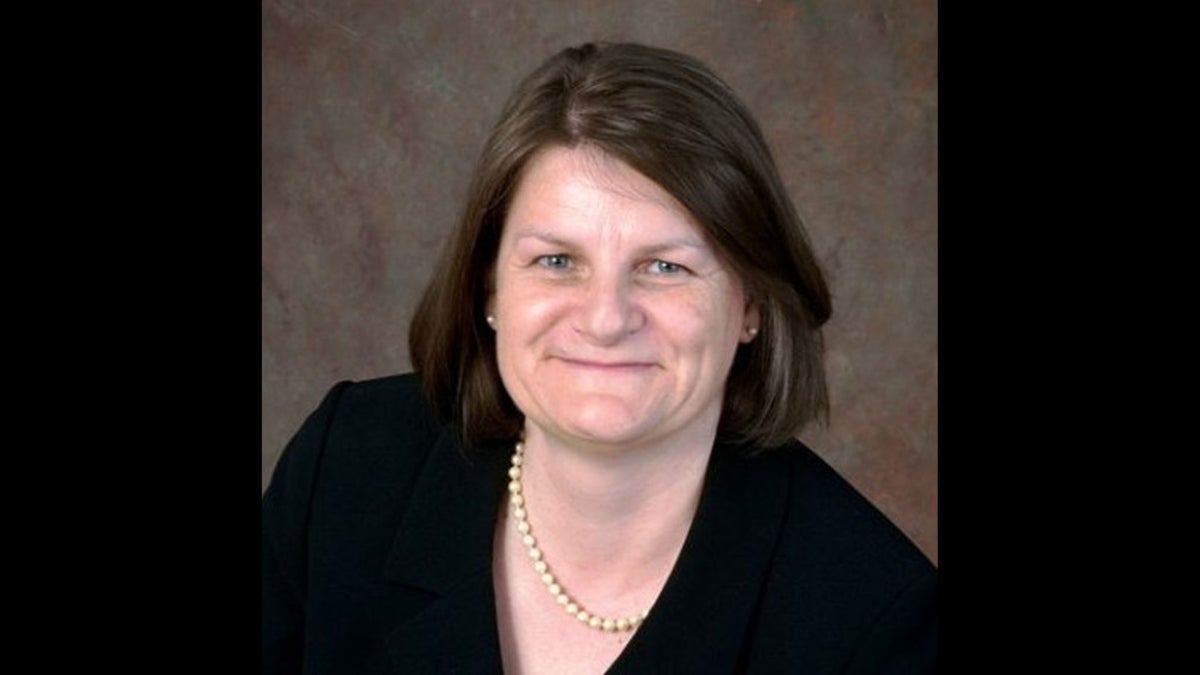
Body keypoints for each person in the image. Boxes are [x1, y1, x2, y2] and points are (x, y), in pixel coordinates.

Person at [262, 41, 937, 674]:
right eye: (557, 261)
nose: (607, 318)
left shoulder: (872, 623)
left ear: (751, 305)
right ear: (489, 286)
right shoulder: (345, 469)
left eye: (666, 266)